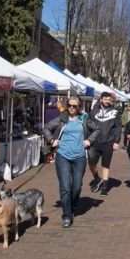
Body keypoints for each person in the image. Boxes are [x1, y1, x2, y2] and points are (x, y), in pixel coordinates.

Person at [43, 97, 96, 228]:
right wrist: (51, 140)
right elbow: (46, 128)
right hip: (63, 156)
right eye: (70, 105)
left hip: (79, 157)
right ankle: (67, 215)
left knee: (77, 186)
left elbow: (97, 129)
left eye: (75, 106)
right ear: (67, 106)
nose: (72, 108)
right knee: (65, 186)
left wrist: (89, 140)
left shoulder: (84, 118)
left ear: (79, 107)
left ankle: (72, 205)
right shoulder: (62, 118)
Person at [87, 92, 122, 197]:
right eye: (105, 98)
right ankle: (97, 179)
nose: (107, 101)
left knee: (105, 165)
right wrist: (88, 139)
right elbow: (88, 125)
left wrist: (116, 141)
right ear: (101, 99)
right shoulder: (93, 111)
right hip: (95, 141)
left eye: (109, 99)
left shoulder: (115, 112)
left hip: (108, 141)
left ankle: (105, 187)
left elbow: (118, 127)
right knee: (91, 162)